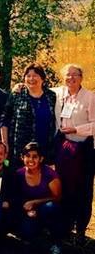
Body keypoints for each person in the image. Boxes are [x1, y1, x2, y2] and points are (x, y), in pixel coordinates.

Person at [50, 64, 95, 243]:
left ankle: (81, 228)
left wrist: (76, 129)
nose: (71, 78)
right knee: (64, 187)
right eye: (67, 75)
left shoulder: (90, 97)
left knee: (83, 189)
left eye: (75, 75)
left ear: (81, 77)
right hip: (63, 149)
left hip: (84, 149)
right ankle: (65, 226)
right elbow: (37, 85)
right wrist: (20, 85)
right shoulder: (58, 93)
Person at [12, 142, 64, 254]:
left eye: (35, 156)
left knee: (51, 207)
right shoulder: (18, 174)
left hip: (46, 209)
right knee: (26, 227)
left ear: (41, 158)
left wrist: (35, 203)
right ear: (22, 157)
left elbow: (57, 197)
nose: (31, 159)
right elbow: (15, 196)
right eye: (27, 156)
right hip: (27, 210)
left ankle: (56, 244)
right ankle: (30, 241)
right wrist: (26, 210)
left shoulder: (50, 174)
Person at [1, 64, 57, 165]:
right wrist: (5, 143)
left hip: (44, 148)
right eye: (28, 76)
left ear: (42, 78)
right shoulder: (16, 94)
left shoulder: (51, 96)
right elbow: (5, 119)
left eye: (35, 75)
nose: (31, 78)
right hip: (20, 149)